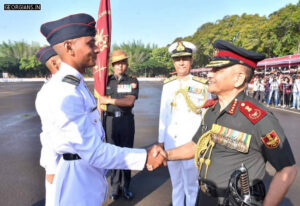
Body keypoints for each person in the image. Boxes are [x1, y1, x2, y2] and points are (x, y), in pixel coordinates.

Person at [36, 13, 165, 206]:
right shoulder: (64, 92)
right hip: (77, 184)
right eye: (90, 43)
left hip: (87, 174)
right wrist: (145, 156)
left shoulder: (76, 86)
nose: (98, 48)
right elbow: (94, 152)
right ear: (69, 47)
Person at [154, 40, 297, 206]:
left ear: (238, 79)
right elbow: (195, 145)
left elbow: (288, 170)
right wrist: (166, 155)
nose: (209, 74)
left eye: (217, 70)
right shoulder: (212, 110)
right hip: (207, 198)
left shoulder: (258, 118)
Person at [158, 41, 209, 206]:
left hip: (191, 142)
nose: (181, 62)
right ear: (173, 62)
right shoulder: (168, 85)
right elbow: (163, 114)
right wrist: (160, 141)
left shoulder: (201, 85)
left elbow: (206, 115)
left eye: (185, 58)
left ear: (191, 60)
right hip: (171, 140)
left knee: (192, 185)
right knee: (176, 184)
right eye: (178, 59)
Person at [98, 49, 139, 200]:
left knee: (127, 154)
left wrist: (108, 100)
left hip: (125, 121)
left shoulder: (132, 81)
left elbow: (129, 102)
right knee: (112, 154)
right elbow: (98, 100)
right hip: (109, 121)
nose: (120, 66)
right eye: (117, 64)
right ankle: (115, 187)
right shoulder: (106, 81)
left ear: (126, 65)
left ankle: (126, 186)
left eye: (123, 63)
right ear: (112, 65)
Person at [35, 46, 61, 206]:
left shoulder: (69, 85)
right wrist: (51, 168)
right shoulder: (49, 93)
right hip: (58, 163)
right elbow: (50, 133)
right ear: (55, 63)